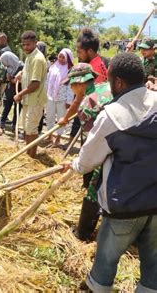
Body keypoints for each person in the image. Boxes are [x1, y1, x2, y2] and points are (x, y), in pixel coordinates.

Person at [62, 53, 157, 292]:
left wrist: (73, 166)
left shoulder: (112, 115)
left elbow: (87, 161)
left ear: (118, 83)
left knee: (105, 263)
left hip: (124, 204)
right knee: (153, 268)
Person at [61, 63, 112, 242]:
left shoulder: (89, 104)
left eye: (72, 85)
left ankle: (83, 234)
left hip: (109, 150)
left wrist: (79, 164)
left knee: (95, 188)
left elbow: (93, 144)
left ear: (81, 83)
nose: (71, 88)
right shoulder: (105, 87)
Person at [14, 31, 48, 158]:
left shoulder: (38, 59)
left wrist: (20, 94)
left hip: (35, 99)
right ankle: (29, 153)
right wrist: (20, 74)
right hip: (28, 100)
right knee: (27, 128)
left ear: (35, 43)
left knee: (31, 129)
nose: (25, 47)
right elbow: (27, 71)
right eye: (24, 45)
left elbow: (35, 84)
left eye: (28, 44)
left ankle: (32, 156)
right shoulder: (29, 56)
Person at [45, 48, 74, 147]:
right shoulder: (53, 67)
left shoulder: (70, 70)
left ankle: (58, 138)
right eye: (60, 57)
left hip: (63, 98)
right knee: (49, 117)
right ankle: (50, 136)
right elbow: (47, 81)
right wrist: (46, 94)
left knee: (61, 118)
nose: (61, 59)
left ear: (68, 58)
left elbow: (71, 87)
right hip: (51, 97)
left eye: (63, 57)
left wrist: (69, 101)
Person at [0, 52, 23, 134]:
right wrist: (9, 79)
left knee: (17, 109)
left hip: (18, 91)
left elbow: (22, 79)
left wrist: (12, 80)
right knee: (6, 108)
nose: (4, 64)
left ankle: (14, 126)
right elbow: (5, 79)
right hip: (9, 91)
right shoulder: (7, 68)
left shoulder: (21, 66)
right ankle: (1, 125)